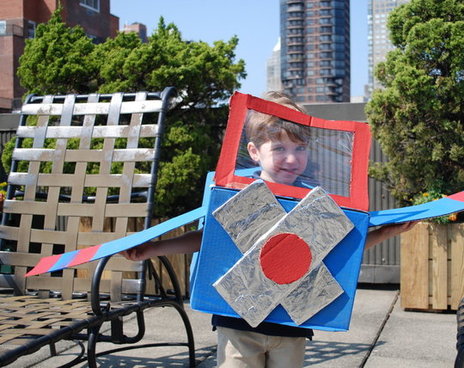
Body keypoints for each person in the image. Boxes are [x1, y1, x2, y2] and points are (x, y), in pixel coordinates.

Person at [122, 91, 416, 368]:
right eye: (279, 148)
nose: (291, 158)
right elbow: (208, 239)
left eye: (299, 148)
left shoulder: (315, 202)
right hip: (238, 322)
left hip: (290, 323)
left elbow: (337, 249)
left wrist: (385, 233)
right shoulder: (242, 194)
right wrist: (154, 248)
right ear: (254, 151)